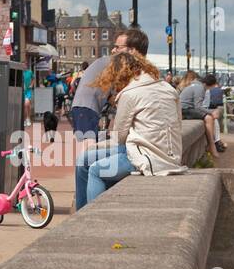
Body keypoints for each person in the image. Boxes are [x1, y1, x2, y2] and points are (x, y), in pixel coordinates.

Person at [75, 42, 187, 210]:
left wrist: (101, 142)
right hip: (171, 156)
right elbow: (179, 121)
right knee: (83, 160)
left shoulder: (130, 94)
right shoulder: (168, 88)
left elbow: (119, 137)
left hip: (147, 159)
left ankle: (89, 217)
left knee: (94, 170)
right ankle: (80, 214)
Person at [180, 70, 226, 154]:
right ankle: (212, 145)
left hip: (185, 108)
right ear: (211, 85)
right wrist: (211, 112)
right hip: (185, 109)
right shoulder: (200, 88)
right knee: (209, 118)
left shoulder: (197, 86)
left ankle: (213, 144)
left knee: (209, 116)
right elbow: (198, 106)